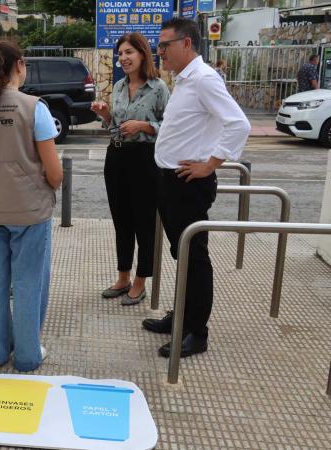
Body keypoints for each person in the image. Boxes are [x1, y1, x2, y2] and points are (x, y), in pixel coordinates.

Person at [143, 18, 250, 357]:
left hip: (188, 185)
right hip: (170, 181)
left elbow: (238, 124)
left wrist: (211, 164)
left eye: (165, 46)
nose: (160, 52)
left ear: (186, 43)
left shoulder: (204, 79)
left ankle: (197, 333)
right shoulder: (185, 80)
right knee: (182, 254)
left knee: (194, 256)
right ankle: (184, 316)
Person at [0, 41, 62, 372]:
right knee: (29, 283)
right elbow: (56, 174)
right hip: (30, 212)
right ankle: (28, 356)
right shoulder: (34, 108)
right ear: (19, 65)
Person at [91, 33, 169, 306]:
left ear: (143, 55)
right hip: (116, 157)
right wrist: (105, 115)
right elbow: (115, 124)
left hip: (145, 160)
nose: (123, 58)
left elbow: (169, 127)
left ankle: (140, 281)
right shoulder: (120, 86)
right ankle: (122, 276)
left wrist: (144, 126)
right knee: (121, 220)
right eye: (120, 53)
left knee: (144, 223)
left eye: (129, 53)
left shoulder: (158, 87)